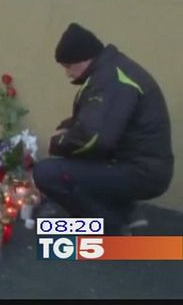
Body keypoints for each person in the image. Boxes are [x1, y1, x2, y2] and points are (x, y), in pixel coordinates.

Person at [33, 23, 174, 235]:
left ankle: (112, 228)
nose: (67, 74)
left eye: (68, 66)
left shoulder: (112, 80)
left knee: (47, 173)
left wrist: (58, 143)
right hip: (135, 164)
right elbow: (95, 120)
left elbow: (95, 138)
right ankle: (123, 211)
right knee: (75, 162)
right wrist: (68, 128)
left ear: (83, 58)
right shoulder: (111, 71)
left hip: (142, 172)